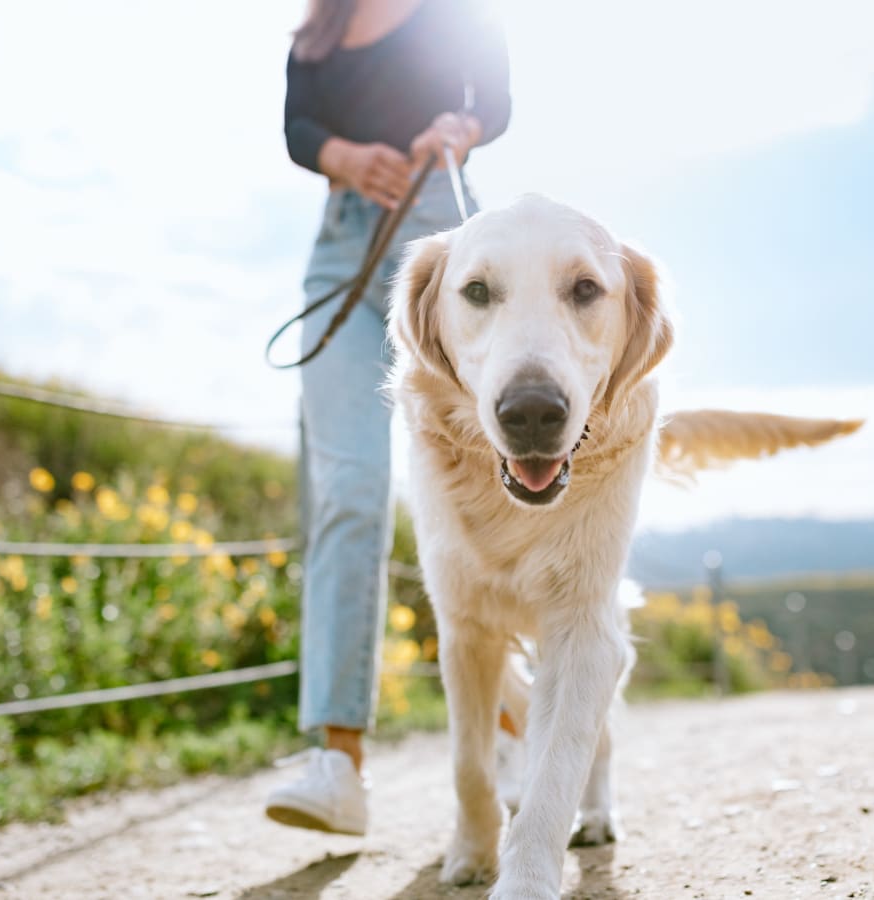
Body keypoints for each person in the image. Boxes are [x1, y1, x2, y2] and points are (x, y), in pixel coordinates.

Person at [265, 0, 511, 835]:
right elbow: (299, 126)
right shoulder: (319, 29)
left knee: (485, 476)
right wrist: (342, 153)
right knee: (350, 486)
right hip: (339, 248)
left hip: (444, 238)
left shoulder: (458, 13)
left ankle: (516, 717)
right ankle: (338, 762)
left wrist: (459, 125)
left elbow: (497, 101)